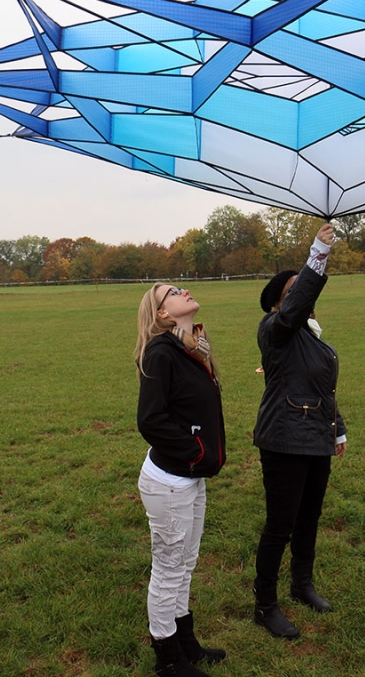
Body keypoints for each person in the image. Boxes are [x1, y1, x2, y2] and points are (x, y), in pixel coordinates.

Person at [252, 223, 347, 640]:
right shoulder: (276, 330)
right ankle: (265, 604)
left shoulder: (312, 338)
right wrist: (318, 253)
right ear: (279, 304)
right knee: (280, 524)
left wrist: (338, 429)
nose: (304, 296)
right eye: (295, 290)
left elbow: (322, 389)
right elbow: (296, 304)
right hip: (284, 439)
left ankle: (302, 584)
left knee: (310, 515)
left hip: (316, 437)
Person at [135, 283, 227, 677]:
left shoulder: (193, 346)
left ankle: (185, 641)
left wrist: (200, 459)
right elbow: (150, 420)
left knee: (185, 564)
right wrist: (198, 452)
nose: (183, 289)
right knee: (170, 567)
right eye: (172, 292)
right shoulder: (161, 352)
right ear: (163, 314)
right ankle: (168, 659)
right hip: (170, 481)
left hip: (190, 478)